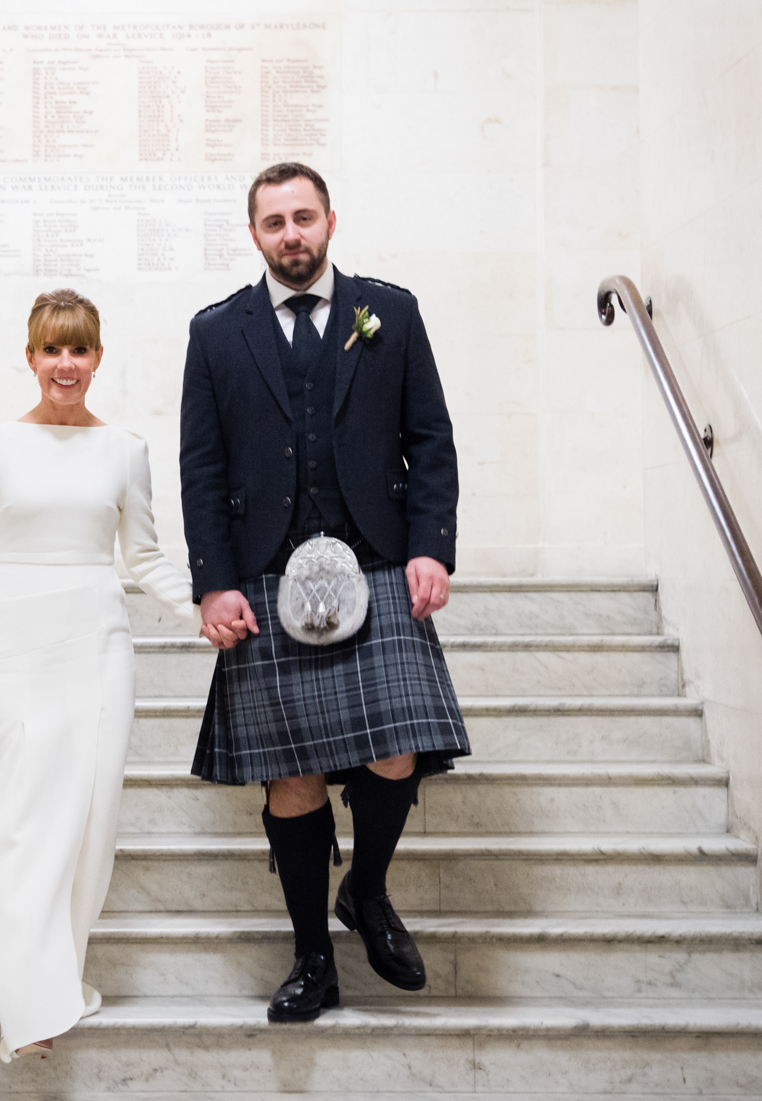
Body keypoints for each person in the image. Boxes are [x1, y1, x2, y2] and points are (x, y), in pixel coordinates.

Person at [180, 161, 469, 1023]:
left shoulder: (393, 311)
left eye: (303, 217)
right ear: (254, 233)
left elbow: (431, 439)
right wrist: (215, 585)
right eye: (273, 222)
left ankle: (367, 890)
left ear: (331, 221)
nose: (290, 234)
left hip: (379, 563)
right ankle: (313, 956)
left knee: (397, 749)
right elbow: (202, 468)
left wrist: (431, 549)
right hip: (266, 577)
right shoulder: (216, 330)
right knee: (293, 778)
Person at [0, 289, 199, 1062]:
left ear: (99, 357)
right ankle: (26, 995)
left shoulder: (126, 449)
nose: (66, 364)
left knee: (87, 822)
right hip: (12, 645)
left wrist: (204, 613)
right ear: (31, 356)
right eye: (52, 349)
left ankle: (52, 985)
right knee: (10, 822)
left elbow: (143, 557)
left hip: (97, 646)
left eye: (79, 349)